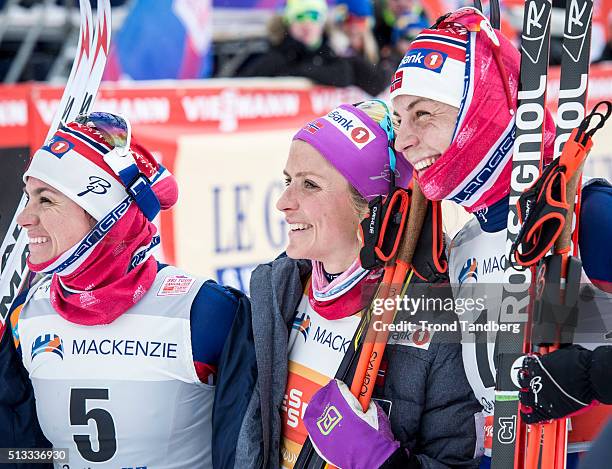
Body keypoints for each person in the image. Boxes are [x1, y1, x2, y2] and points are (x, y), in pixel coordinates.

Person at [388, 6, 612, 467]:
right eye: (398, 121)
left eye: (423, 114)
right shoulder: (464, 245)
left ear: (481, 108)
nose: (403, 141)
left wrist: (592, 375)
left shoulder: (592, 217)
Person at [216, 100, 483, 469]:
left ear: (371, 208)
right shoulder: (278, 288)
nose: (283, 202)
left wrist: (383, 462)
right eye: (287, 181)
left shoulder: (436, 314)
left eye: (310, 185)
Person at [0, 113, 248, 468]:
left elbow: (249, 448)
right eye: (28, 198)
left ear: (104, 215)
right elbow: (29, 453)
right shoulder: (28, 314)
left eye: (46, 200)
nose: (24, 218)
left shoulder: (205, 311)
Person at [237, 0, 389, 96]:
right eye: (301, 17)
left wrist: (301, 72)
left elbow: (345, 76)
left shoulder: (328, 51)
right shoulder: (274, 54)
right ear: (289, 21)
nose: (308, 25)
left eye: (315, 17)